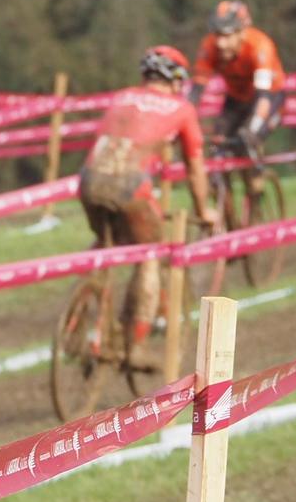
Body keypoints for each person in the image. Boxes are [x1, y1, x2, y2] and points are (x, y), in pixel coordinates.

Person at [79, 48, 219, 370]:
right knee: (150, 258)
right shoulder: (182, 108)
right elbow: (195, 168)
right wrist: (204, 209)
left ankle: (86, 318)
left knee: (106, 240)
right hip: (131, 184)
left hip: (88, 180)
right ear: (176, 80)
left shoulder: (122, 97)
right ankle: (136, 345)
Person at [194, 0, 287, 159]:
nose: (220, 43)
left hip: (268, 97)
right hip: (236, 98)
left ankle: (255, 179)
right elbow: (196, 90)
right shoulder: (210, 46)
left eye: (227, 35)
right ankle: (218, 181)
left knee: (248, 141)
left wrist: (253, 128)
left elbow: (263, 97)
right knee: (218, 144)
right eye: (216, 34)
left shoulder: (260, 46)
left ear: (242, 32)